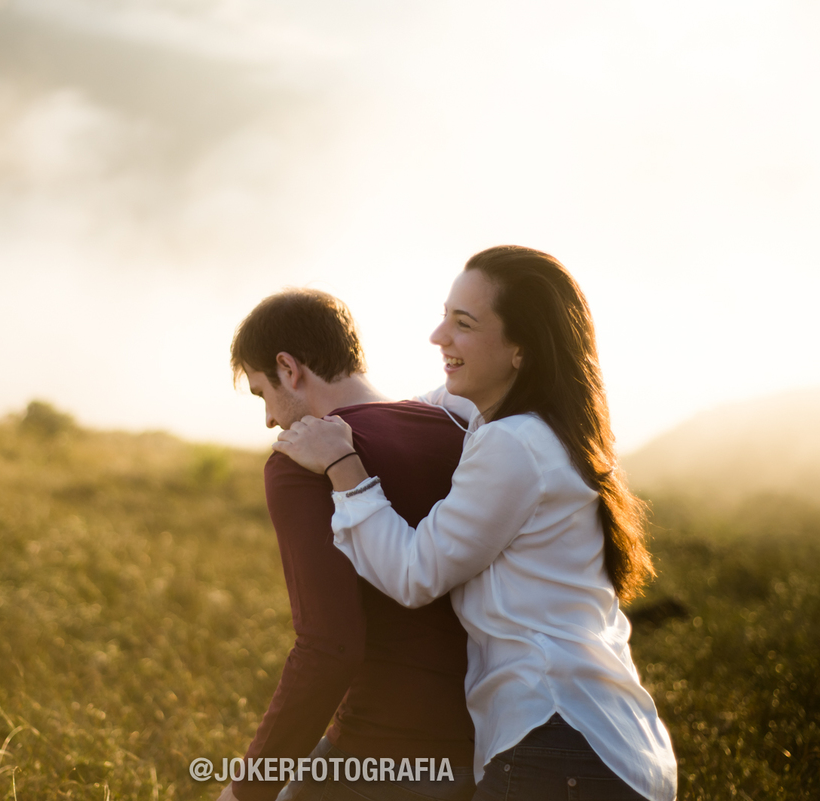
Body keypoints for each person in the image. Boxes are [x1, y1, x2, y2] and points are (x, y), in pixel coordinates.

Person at [272, 247, 678, 801]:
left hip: (557, 747)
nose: (439, 335)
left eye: (463, 324)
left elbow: (414, 574)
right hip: (608, 744)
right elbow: (406, 408)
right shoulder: (527, 424)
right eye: (445, 315)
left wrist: (345, 466)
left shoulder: (513, 444)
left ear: (521, 349)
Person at [219, 288, 478, 801]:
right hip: (482, 745)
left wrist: (248, 790)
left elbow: (328, 647)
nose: (270, 418)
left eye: (261, 393)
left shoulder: (300, 460)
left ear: (289, 368)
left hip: (379, 750)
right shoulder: (458, 430)